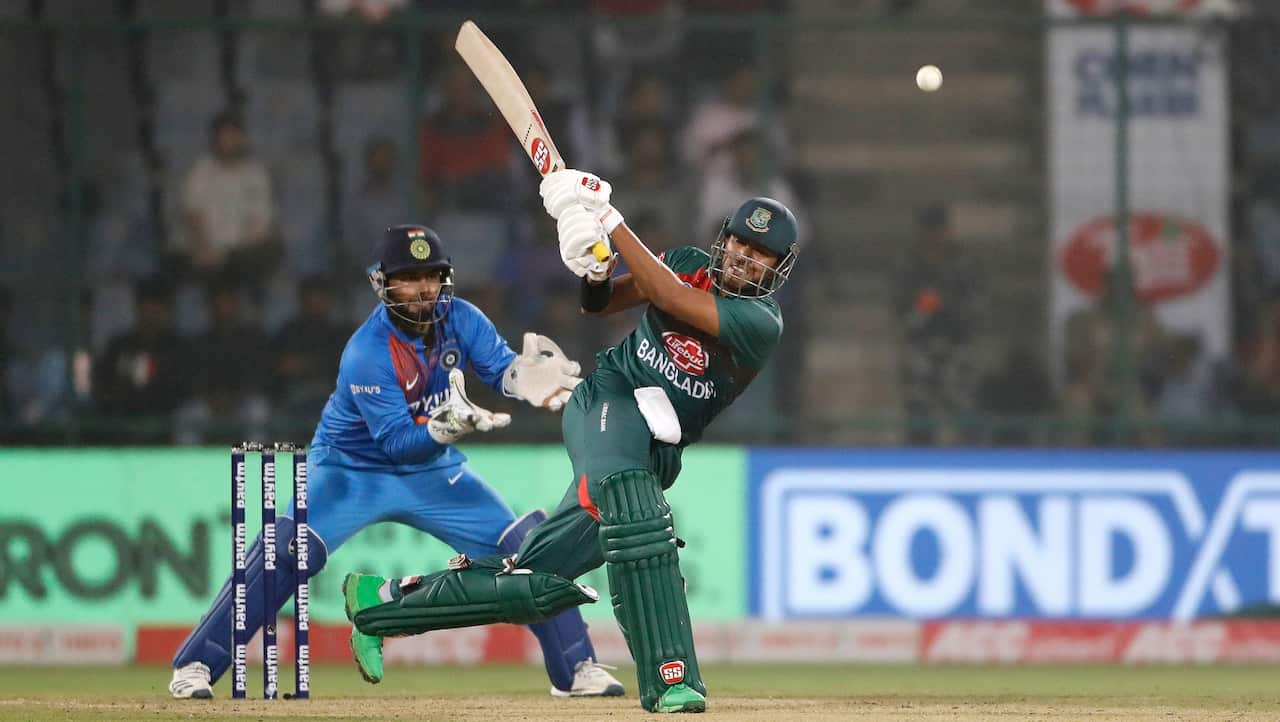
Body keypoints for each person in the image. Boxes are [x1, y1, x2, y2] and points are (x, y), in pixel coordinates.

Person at [341, 171, 799, 714]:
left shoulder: (759, 321)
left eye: (761, 253)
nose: (746, 256)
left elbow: (668, 296)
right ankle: (670, 680)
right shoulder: (684, 262)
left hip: (656, 448)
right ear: (725, 239)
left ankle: (379, 605)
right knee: (637, 507)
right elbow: (600, 304)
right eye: (741, 242)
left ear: (778, 268)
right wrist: (596, 272)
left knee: (534, 584)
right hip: (610, 400)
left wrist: (609, 219)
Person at [168, 224, 624, 700]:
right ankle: (197, 663)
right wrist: (447, 426)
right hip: (350, 470)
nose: (423, 288)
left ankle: (576, 670)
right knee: (287, 549)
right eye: (408, 278)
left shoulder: (463, 317)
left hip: (432, 472)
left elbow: (499, 368)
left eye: (432, 276)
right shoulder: (366, 352)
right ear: (382, 283)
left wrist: (523, 378)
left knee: (527, 548)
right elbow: (397, 444)